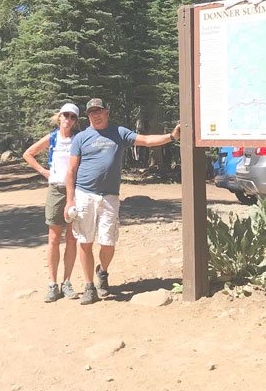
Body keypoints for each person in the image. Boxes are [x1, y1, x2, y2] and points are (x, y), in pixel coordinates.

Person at [65, 98, 181, 305]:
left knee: (108, 242)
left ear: (106, 113)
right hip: (85, 194)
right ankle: (89, 286)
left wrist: (171, 136)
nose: (96, 115)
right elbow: (71, 171)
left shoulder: (119, 132)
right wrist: (69, 200)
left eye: (99, 111)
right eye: (91, 112)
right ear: (88, 116)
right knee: (85, 241)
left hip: (110, 196)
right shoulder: (81, 138)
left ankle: (103, 271)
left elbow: (145, 140)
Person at [22, 103, 81, 302]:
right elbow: (28, 153)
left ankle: (67, 282)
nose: (69, 119)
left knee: (72, 238)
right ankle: (52, 284)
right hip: (55, 190)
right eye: (66, 115)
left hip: (74, 191)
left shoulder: (78, 139)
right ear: (59, 116)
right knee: (54, 239)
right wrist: (43, 171)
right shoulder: (52, 137)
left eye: (73, 117)